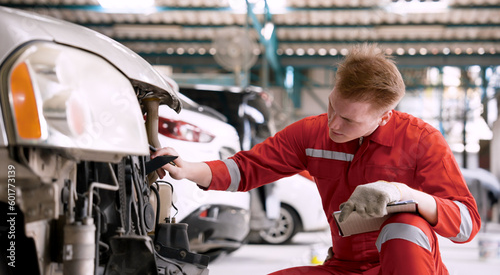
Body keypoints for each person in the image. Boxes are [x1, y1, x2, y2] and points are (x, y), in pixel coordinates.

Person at [153, 43, 481, 274]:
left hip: (406, 265)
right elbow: (249, 167)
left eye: (349, 120)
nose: (333, 125)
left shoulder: (422, 141)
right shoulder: (312, 133)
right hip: (346, 266)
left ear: (384, 117)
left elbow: (466, 223)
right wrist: (188, 169)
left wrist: (407, 195)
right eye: (331, 107)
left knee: (404, 226)